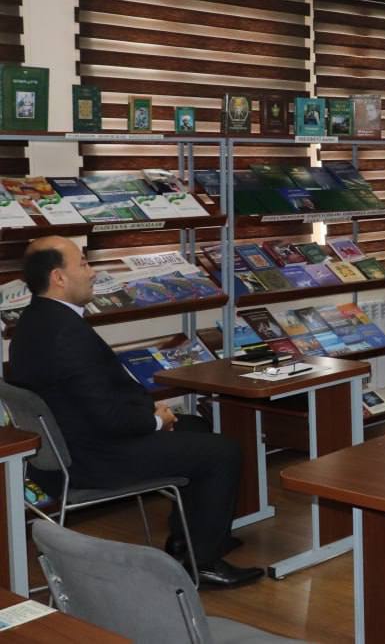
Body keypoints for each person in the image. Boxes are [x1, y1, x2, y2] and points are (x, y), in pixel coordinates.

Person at [6, 237, 262, 588]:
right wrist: (155, 419)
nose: (92, 272)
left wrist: (151, 412)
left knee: (195, 426)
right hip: (93, 458)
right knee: (224, 452)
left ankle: (189, 539)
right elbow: (106, 417)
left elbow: (91, 397)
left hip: (69, 447)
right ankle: (204, 564)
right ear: (59, 277)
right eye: (83, 263)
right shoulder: (66, 334)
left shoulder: (34, 322)